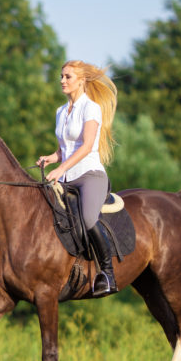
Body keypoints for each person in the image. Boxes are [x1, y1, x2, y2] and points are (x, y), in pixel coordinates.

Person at [36, 60, 118, 296]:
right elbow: (66, 148)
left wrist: (60, 169)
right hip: (67, 176)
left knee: (89, 218)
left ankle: (107, 273)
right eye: (61, 76)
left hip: (89, 175)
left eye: (68, 77)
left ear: (81, 80)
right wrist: (52, 158)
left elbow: (86, 146)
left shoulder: (91, 108)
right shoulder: (60, 111)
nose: (62, 81)